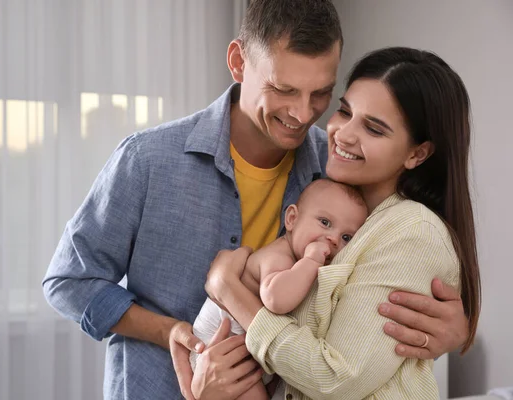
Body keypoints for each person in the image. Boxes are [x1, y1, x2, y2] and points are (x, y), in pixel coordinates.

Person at [42, 1, 470, 399]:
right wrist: (171, 332)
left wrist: (451, 333)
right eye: (284, 89)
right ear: (238, 63)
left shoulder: (339, 169)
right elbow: (69, 282)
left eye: (321, 94)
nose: (304, 114)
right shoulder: (148, 160)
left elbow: (376, 291)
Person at [203, 46, 481, 399]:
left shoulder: (412, 232)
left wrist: (227, 287)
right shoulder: (335, 204)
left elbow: (337, 379)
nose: (342, 134)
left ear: (417, 153)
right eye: (345, 111)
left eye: (374, 129)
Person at [190, 179, 368, 399]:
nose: (333, 239)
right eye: (325, 222)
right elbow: (276, 300)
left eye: (346, 237)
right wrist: (311, 262)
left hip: (243, 348)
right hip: (218, 342)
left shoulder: (296, 260)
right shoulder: (279, 257)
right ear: (292, 219)